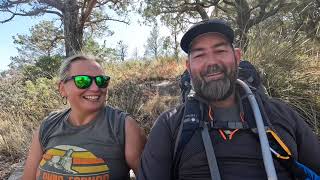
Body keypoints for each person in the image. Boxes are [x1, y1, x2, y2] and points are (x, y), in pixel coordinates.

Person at [138, 19, 320, 180]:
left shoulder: (283, 116)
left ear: (237, 57)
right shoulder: (170, 126)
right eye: (200, 55)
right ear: (189, 66)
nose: (211, 62)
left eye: (220, 51)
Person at [22, 54, 146, 180]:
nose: (95, 88)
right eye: (83, 81)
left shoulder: (123, 126)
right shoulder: (48, 125)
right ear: (62, 88)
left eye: (101, 81)